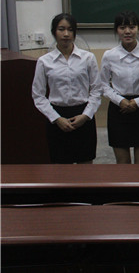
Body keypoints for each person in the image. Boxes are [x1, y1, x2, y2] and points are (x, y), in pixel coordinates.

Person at [31, 13, 100, 164]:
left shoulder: (88, 58)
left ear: (75, 32)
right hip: (57, 117)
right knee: (61, 168)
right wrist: (56, 119)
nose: (66, 34)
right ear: (54, 32)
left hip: (83, 115)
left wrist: (86, 115)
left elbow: (96, 90)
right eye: (61, 29)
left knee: (86, 166)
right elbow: (38, 95)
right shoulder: (44, 61)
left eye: (70, 29)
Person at [99, 11, 139, 164]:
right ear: (116, 30)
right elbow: (103, 84)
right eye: (122, 27)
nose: (127, 31)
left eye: (132, 27)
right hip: (118, 109)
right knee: (123, 165)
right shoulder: (109, 55)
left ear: (138, 29)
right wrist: (120, 100)